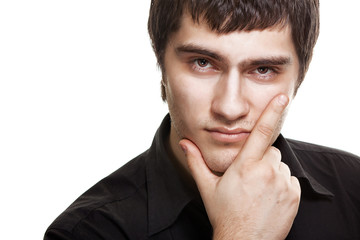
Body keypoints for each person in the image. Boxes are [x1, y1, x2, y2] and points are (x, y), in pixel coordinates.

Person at [44, 0, 360, 239]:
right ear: (161, 63)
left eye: (263, 69)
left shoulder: (353, 186)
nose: (230, 107)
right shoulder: (86, 232)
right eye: (202, 62)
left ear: (299, 77)